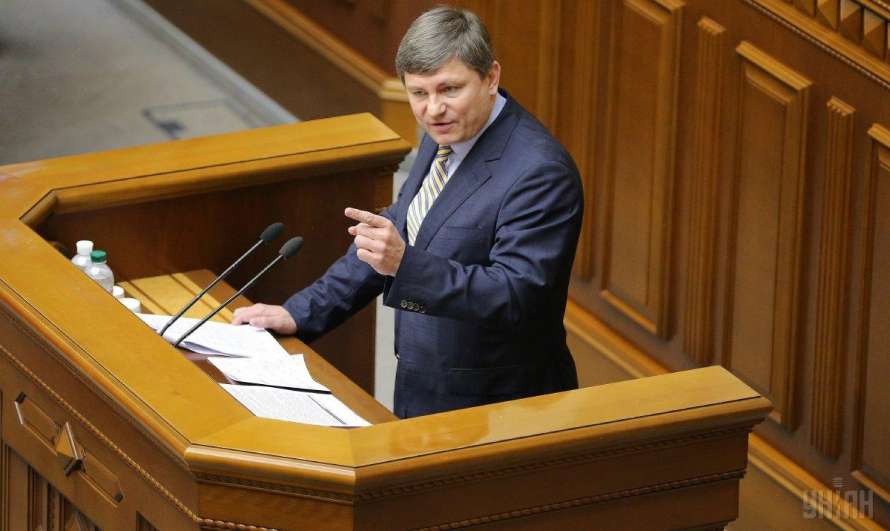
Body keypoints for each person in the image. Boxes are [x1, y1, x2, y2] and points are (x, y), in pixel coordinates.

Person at [232, 6, 583, 418]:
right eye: (419, 93)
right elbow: (396, 232)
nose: (433, 109)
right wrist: (300, 312)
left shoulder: (539, 172)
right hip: (425, 386)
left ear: (491, 77)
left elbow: (516, 297)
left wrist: (405, 264)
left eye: (449, 89)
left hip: (496, 407)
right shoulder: (446, 131)